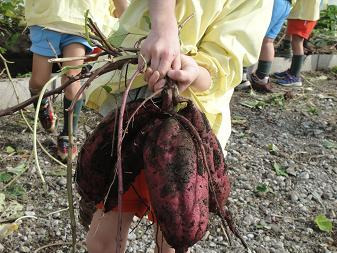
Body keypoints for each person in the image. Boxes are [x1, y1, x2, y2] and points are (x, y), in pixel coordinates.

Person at [83, 0, 273, 252]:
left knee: (175, 226)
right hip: (134, 96)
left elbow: (226, 62)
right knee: (110, 215)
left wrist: (195, 72)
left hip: (189, 124)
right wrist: (164, 27)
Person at [24, 0, 126, 161]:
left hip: (79, 21)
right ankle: (43, 104)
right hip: (47, 18)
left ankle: (68, 135)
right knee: (38, 81)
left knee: (71, 79)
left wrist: (127, 17)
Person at [273, 0, 322, 87]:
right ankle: (292, 71)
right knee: (296, 42)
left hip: (305, 15)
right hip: (299, 13)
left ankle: (294, 76)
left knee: (297, 42)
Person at [247, 0, 292, 93]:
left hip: (273, 3)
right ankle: (262, 77)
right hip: (286, 4)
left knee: (250, 35)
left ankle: (242, 77)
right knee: (268, 41)